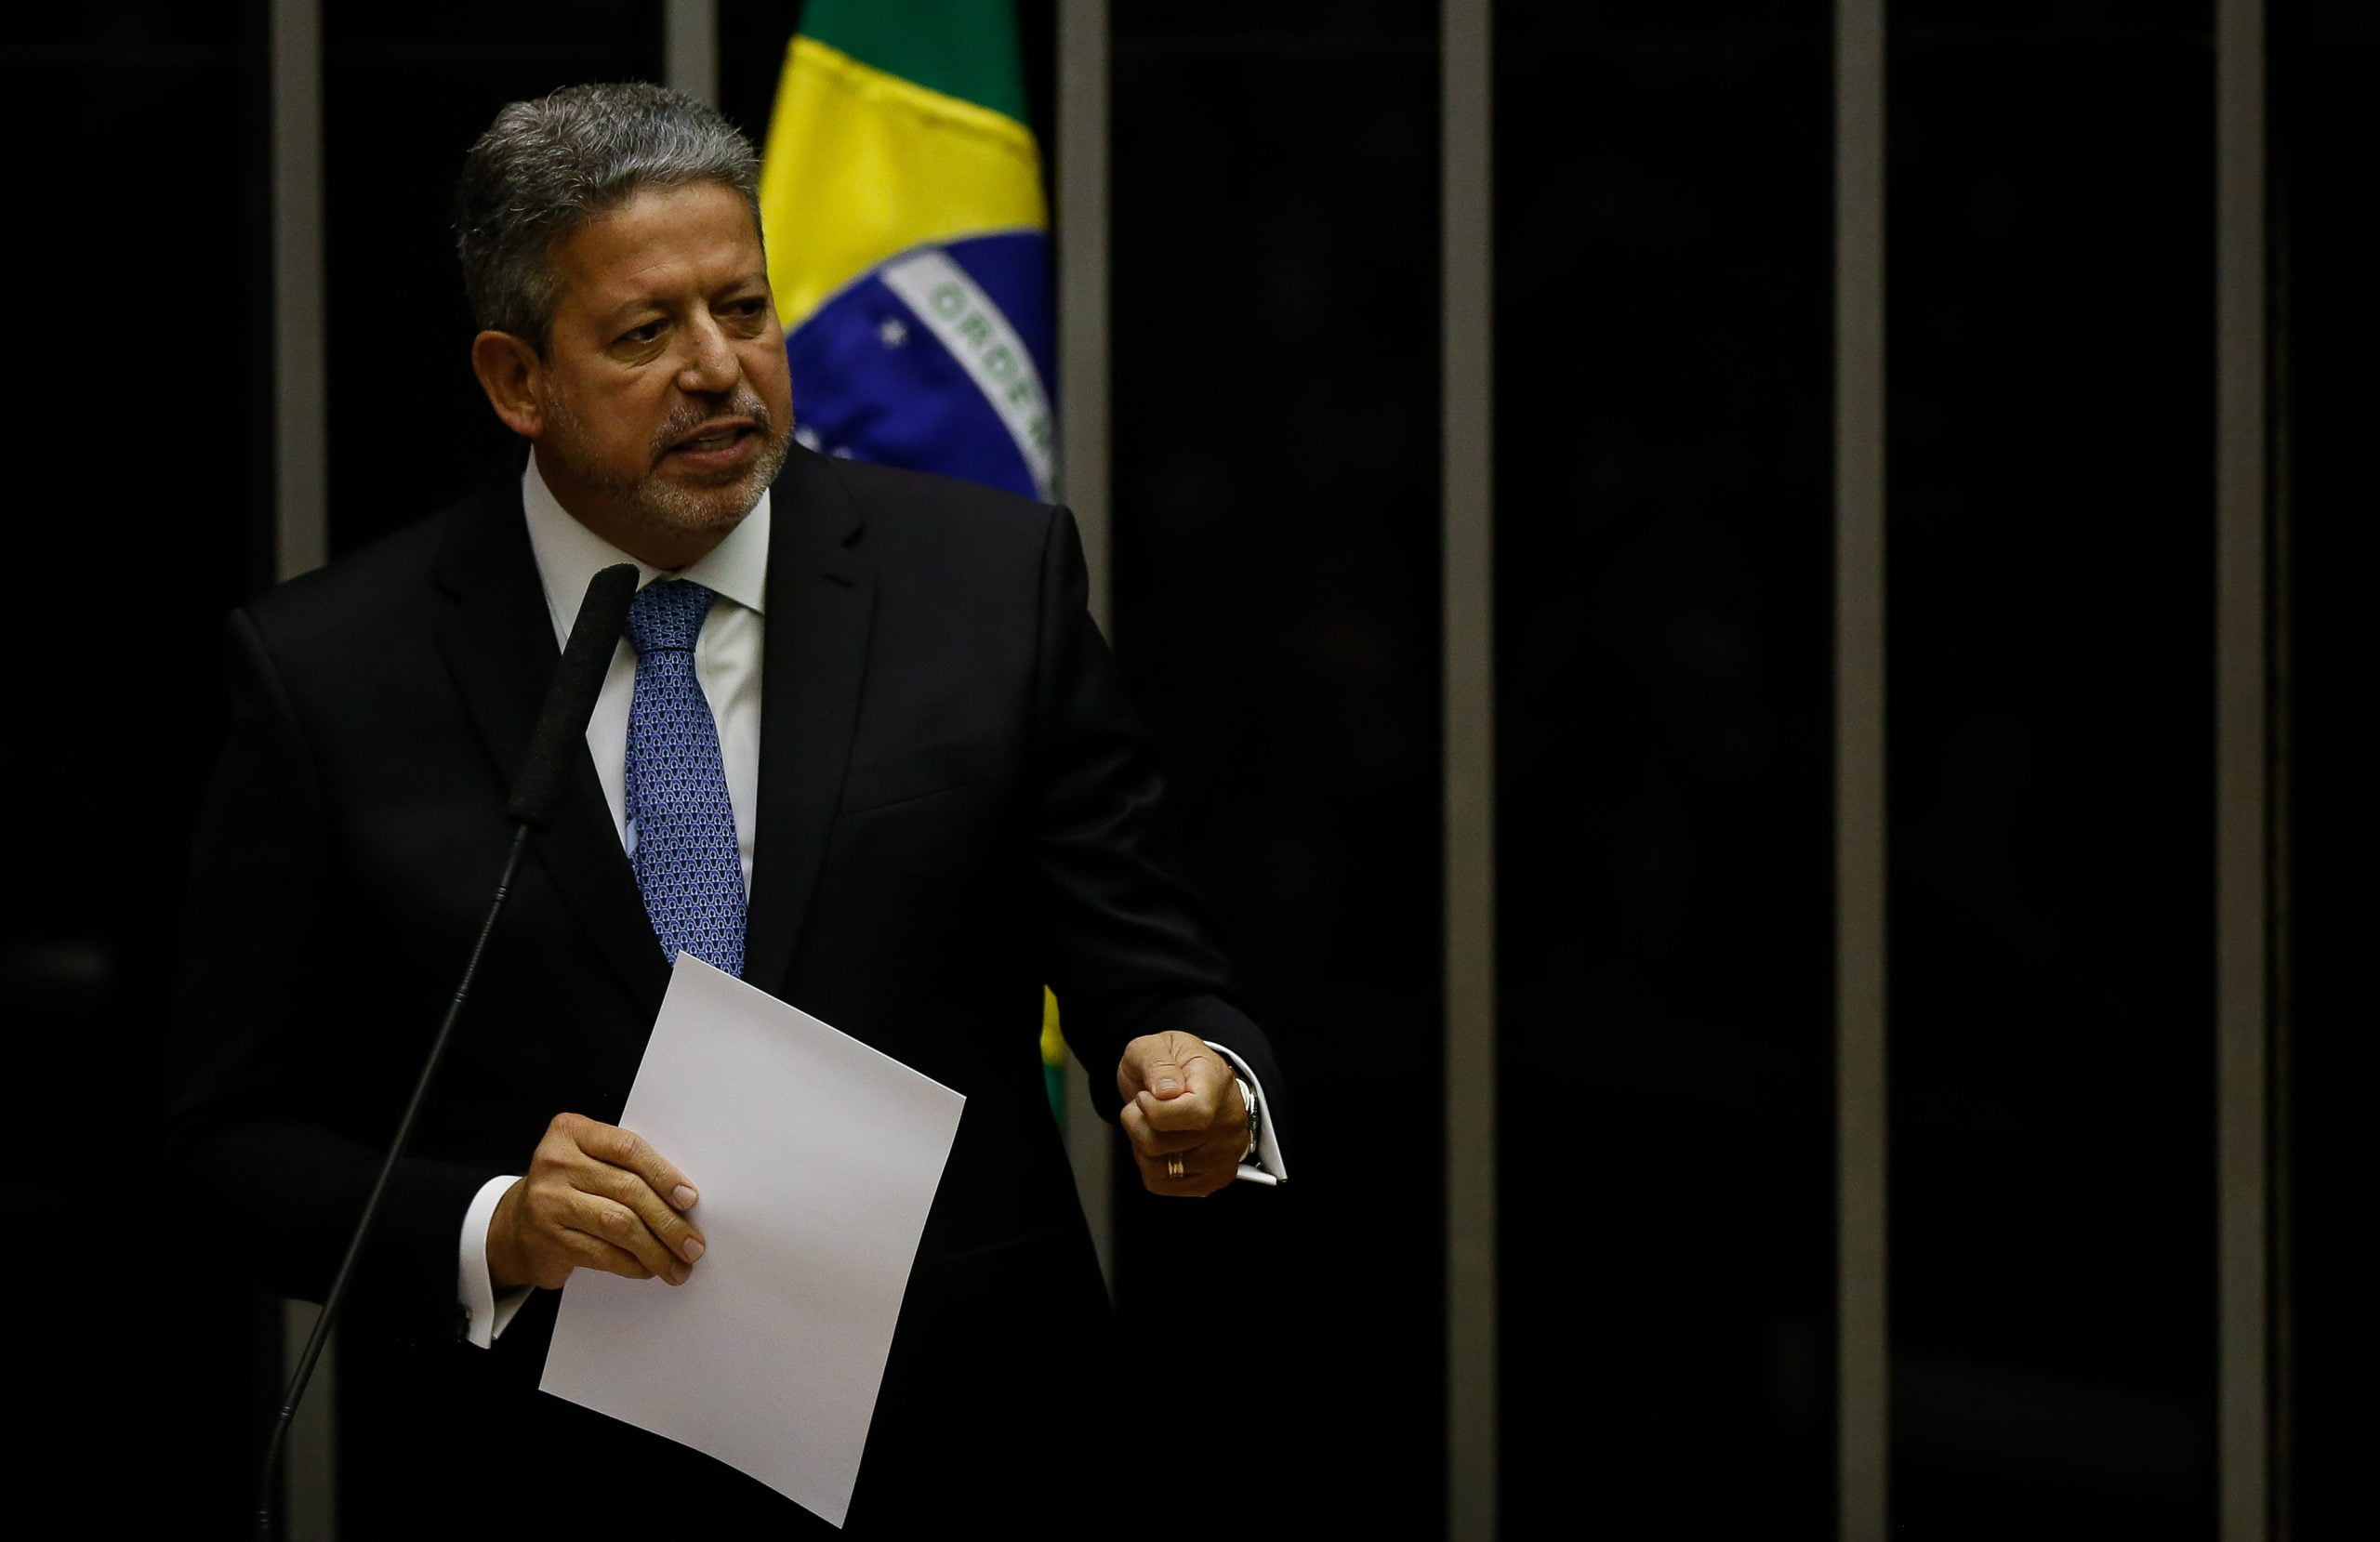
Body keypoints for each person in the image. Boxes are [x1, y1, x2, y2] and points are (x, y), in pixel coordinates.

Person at [168, 82, 1284, 1536]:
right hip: (526, 1471)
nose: (720, 369)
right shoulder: (332, 671)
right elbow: (231, 1144)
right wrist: (494, 1222)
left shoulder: (983, 588)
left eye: (745, 311)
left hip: (961, 1445)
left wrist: (1206, 1075)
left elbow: (1157, 973)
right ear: (517, 379)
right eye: (645, 333)